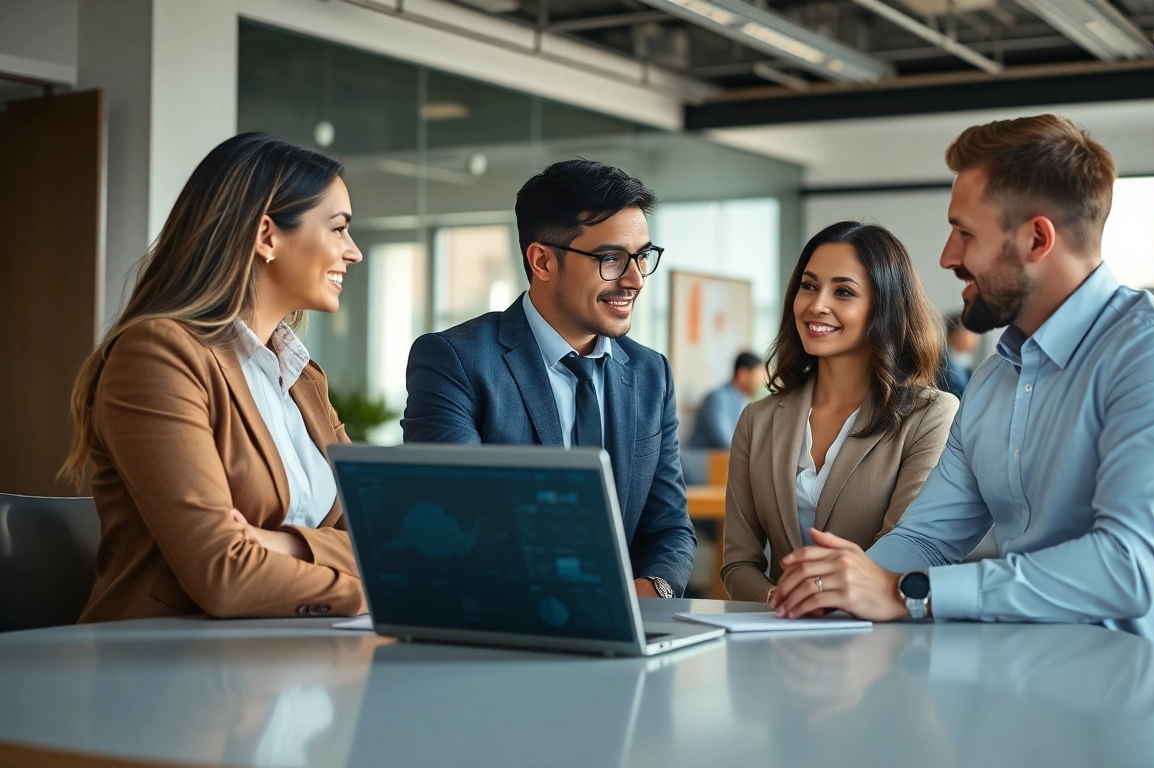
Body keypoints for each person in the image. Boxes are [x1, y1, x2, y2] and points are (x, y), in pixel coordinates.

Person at [770, 115, 1154, 662]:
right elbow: (927, 539)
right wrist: (840, 587)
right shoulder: (995, 381)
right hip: (1021, 672)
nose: (947, 257)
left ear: (1037, 239)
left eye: (966, 234)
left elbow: (1127, 567)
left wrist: (907, 594)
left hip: (1143, 683)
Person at [62, 133, 367, 623]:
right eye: (338, 229)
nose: (353, 252)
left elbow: (381, 537)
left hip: (301, 649)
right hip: (167, 658)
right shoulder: (157, 355)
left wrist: (285, 543)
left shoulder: (304, 379)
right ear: (266, 235)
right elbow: (225, 577)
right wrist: (372, 591)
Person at [402, 159, 696, 598]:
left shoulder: (651, 374)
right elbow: (457, 515)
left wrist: (647, 595)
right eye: (611, 259)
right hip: (505, 619)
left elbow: (670, 528)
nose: (635, 279)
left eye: (641, 257)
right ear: (542, 261)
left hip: (629, 623)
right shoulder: (455, 360)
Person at [720, 222, 957, 603]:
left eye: (843, 291)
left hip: (883, 632)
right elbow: (738, 564)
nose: (816, 305)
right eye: (808, 286)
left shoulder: (930, 416)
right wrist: (781, 601)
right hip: (780, 630)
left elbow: (908, 548)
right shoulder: (757, 420)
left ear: (884, 307)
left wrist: (818, 595)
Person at [687, 352, 766, 449]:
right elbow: (727, 442)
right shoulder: (717, 399)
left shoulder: (742, 401)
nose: (761, 383)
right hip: (701, 457)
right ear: (742, 375)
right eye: (757, 377)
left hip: (721, 456)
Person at [934, 315, 980, 399]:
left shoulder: (967, 363)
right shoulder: (941, 365)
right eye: (969, 331)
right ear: (954, 334)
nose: (974, 336)